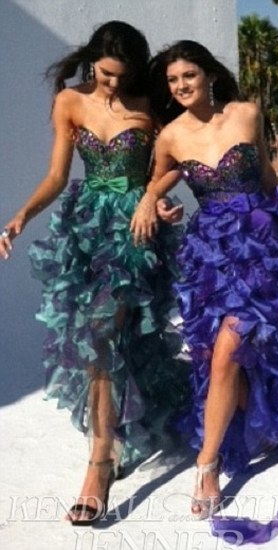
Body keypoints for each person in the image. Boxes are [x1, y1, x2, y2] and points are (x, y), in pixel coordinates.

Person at [131, 40, 278, 521]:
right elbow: (159, 179)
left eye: (188, 75)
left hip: (264, 250)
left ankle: (207, 466)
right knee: (220, 356)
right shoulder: (170, 135)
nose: (181, 86)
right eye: (172, 81)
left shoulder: (247, 114)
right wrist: (154, 203)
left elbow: (268, 178)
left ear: (209, 74)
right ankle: (263, 418)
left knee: (231, 348)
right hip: (213, 254)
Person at [0, 21, 189, 525]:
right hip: (85, 231)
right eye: (106, 75)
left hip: (134, 229)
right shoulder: (68, 102)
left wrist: (156, 198)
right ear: (91, 62)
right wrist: (22, 215)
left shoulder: (149, 102)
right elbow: (59, 175)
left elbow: (175, 159)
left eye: (122, 77)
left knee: (102, 335)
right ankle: (116, 428)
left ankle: (99, 462)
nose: (113, 85)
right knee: (97, 341)